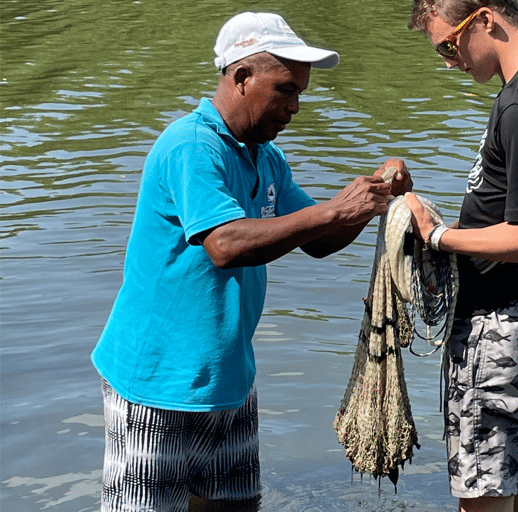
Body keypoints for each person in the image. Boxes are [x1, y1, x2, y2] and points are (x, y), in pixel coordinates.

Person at [91, 11, 411, 512]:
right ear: (242, 78)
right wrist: (335, 208)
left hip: (227, 377)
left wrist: (372, 202)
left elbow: (319, 240)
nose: (296, 107)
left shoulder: (265, 157)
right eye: (285, 89)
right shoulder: (191, 146)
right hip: (157, 383)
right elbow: (225, 245)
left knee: (236, 505)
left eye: (299, 92)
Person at [404, 1, 518, 511]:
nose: (448, 60)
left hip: (497, 331)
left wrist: (439, 236)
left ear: (485, 19)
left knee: (483, 496)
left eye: (449, 44)